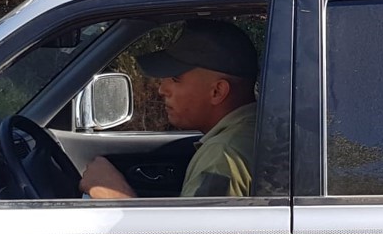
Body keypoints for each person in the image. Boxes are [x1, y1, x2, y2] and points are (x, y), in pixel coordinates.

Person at [79, 20, 258, 199]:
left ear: (217, 91)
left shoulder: (222, 156)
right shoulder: (252, 133)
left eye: (175, 78)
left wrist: (117, 197)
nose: (161, 89)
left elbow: (200, 227)